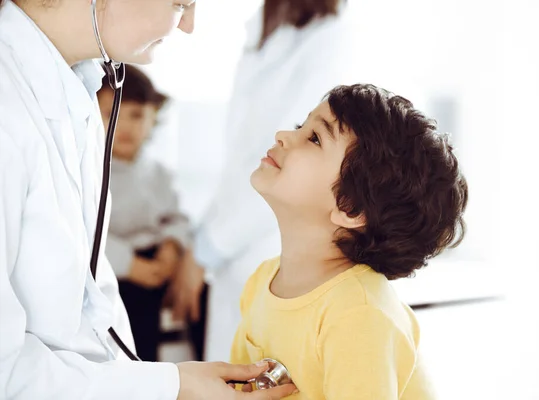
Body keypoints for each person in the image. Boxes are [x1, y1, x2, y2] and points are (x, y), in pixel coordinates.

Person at [0, 0, 296, 399]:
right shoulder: (10, 109)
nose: (188, 25)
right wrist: (173, 386)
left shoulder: (79, 94)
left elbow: (92, 313)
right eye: (181, 3)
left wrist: (164, 383)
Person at [230, 84, 469, 399]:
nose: (283, 135)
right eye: (302, 127)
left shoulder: (360, 316)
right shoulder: (263, 281)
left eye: (314, 138)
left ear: (350, 207)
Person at [194, 0, 357, 362]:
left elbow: (291, 166)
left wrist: (204, 252)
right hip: (237, 258)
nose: (286, 134)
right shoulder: (265, 34)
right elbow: (242, 161)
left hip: (261, 243)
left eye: (308, 133)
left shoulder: (330, 41)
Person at [97, 65, 207, 362]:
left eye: (136, 115)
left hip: (157, 257)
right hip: (118, 266)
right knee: (131, 311)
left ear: (153, 117)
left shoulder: (157, 172)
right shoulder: (93, 170)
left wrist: (172, 247)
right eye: (112, 115)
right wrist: (132, 267)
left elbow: (177, 217)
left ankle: (207, 359)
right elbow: (88, 235)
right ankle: (142, 368)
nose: (125, 127)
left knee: (203, 290)